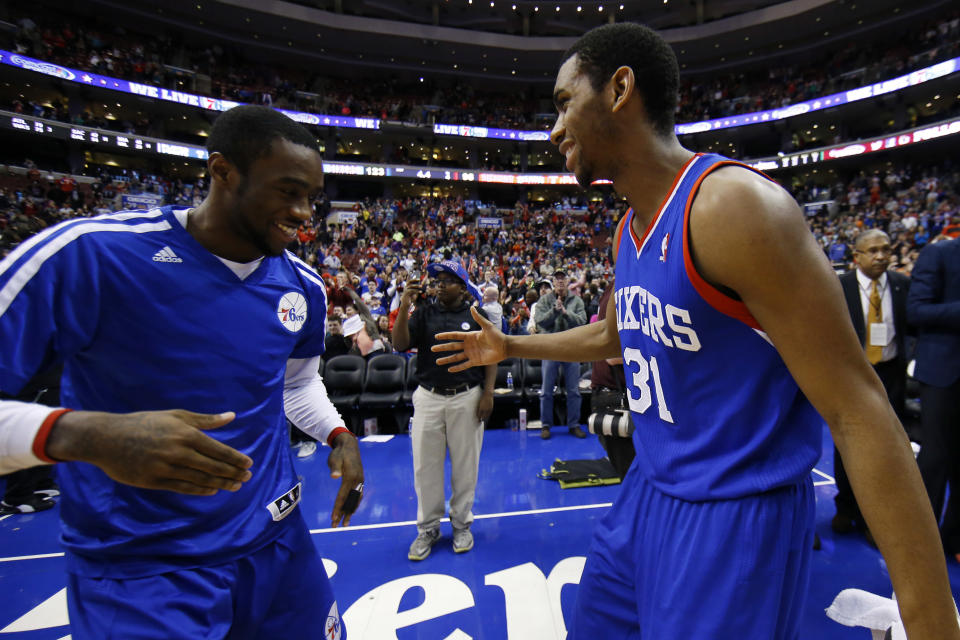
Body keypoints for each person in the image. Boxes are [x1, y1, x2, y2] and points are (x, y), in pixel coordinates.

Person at [432, 23, 958, 640]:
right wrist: (512, 345)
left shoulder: (731, 207)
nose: (553, 129)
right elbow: (617, 335)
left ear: (620, 89)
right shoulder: (629, 226)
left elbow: (859, 408)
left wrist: (930, 618)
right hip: (647, 489)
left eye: (563, 102)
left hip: (735, 510)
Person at [0, 105, 364, 639]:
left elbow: (296, 381)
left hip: (276, 544)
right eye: (288, 191)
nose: (305, 212)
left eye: (311, 196)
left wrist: (337, 432)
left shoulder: (303, 286)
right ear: (222, 172)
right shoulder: (87, 254)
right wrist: (82, 435)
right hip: (143, 566)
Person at [392, 259, 495, 561]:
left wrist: (488, 393)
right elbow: (399, 344)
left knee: (465, 467)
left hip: (467, 396)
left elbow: (491, 356)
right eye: (436, 280)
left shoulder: (478, 315)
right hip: (429, 397)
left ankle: (462, 524)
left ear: (462, 287)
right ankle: (428, 528)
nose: (438, 284)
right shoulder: (423, 312)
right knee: (425, 467)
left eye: (446, 280)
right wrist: (404, 306)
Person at [834, 229, 912, 541]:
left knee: (888, 448)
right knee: (848, 446)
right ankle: (846, 507)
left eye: (886, 249)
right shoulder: (840, 286)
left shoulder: (902, 284)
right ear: (857, 256)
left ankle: (875, 518)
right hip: (853, 375)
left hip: (891, 373)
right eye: (873, 251)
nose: (880, 256)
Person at [908, 237, 960, 561]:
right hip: (944, 371)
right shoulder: (939, 253)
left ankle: (953, 538)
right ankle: (920, 545)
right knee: (936, 459)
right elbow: (916, 310)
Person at [534, 269, 587, 439]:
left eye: (563, 278)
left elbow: (582, 321)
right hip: (550, 349)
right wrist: (555, 312)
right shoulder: (544, 300)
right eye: (557, 279)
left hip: (571, 349)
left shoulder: (576, 300)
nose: (560, 281)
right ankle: (546, 425)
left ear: (567, 282)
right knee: (546, 391)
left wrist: (565, 312)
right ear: (554, 283)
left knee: (573, 390)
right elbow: (540, 321)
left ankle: (574, 424)